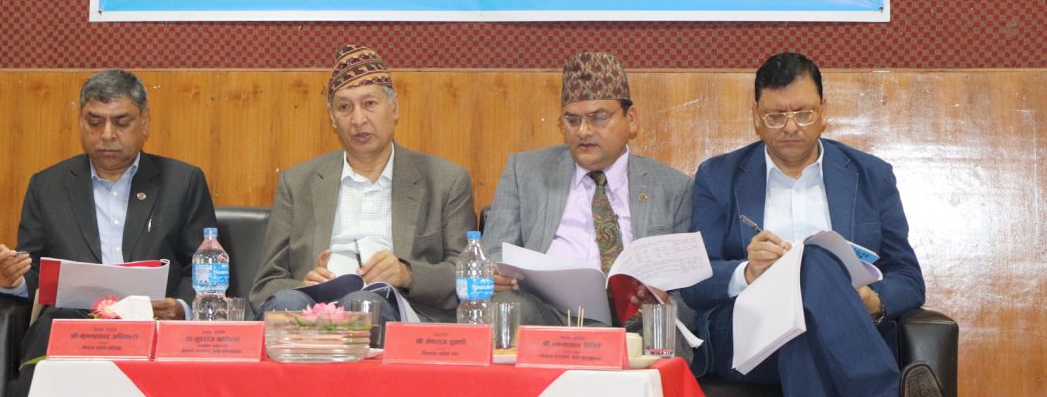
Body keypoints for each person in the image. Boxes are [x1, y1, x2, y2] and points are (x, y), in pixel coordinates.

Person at [681, 52, 940, 397]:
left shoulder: (871, 176)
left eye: (803, 114)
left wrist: (872, 301)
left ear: (823, 112)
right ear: (756, 116)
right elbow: (695, 282)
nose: (790, 127)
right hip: (747, 332)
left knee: (806, 323)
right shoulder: (718, 177)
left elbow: (908, 278)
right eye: (776, 116)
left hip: (841, 328)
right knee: (815, 260)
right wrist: (747, 272)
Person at [0, 69, 217, 395]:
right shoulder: (48, 186)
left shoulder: (182, 182)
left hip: (152, 321)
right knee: (52, 327)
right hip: (74, 322)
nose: (107, 134)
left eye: (121, 122)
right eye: (94, 122)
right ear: (81, 122)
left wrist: (180, 306)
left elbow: (203, 267)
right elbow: (35, 268)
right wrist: (13, 279)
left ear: (144, 122)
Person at [248, 44, 476, 325]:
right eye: (345, 107)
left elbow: (467, 275)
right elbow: (265, 285)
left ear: (394, 107)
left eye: (369, 104)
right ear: (332, 117)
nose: (358, 120)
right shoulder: (298, 182)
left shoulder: (445, 181)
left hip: (398, 312)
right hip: (314, 310)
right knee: (285, 305)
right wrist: (303, 285)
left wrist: (407, 274)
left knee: (361, 305)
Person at [480, 51, 695, 334]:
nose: (583, 131)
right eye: (572, 120)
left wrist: (663, 302)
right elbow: (493, 254)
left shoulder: (673, 187)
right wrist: (493, 273)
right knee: (505, 306)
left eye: (599, 118)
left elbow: (690, 296)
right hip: (546, 316)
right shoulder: (525, 172)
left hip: (636, 322)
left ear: (631, 119)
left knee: (663, 324)